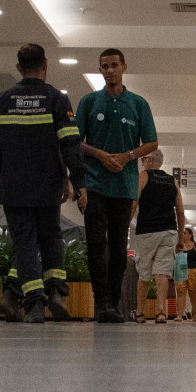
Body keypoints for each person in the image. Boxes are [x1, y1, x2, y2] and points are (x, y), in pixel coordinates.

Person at [0, 42, 88, 324]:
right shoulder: (56, 99)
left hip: (14, 186)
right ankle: (56, 292)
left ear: (18, 67)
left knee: (25, 243)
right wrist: (76, 181)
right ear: (45, 65)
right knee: (51, 238)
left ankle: (34, 303)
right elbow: (70, 144)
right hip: (47, 185)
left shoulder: (1, 100)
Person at [75, 48, 158, 324]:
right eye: (105, 66)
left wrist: (127, 156)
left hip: (124, 186)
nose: (110, 70)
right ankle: (101, 303)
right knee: (96, 243)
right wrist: (99, 154)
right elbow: (75, 141)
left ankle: (113, 301)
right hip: (94, 183)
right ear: (100, 70)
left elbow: (151, 142)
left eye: (114, 65)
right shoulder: (89, 102)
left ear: (123, 67)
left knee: (119, 247)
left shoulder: (138, 104)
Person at [132, 152, 186, 323]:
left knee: (144, 272)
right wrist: (181, 238)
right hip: (168, 231)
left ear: (150, 160)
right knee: (162, 272)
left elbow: (134, 202)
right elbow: (180, 211)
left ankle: (140, 313)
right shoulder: (172, 181)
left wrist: (126, 223)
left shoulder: (143, 176)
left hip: (147, 230)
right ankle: (161, 312)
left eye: (143, 159)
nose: (142, 162)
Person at [175, 227, 196, 320]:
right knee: (180, 292)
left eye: (184, 233)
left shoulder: (195, 245)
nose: (182, 234)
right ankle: (180, 314)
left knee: (193, 293)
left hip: (193, 270)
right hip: (180, 270)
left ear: (190, 235)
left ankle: (195, 313)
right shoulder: (178, 245)